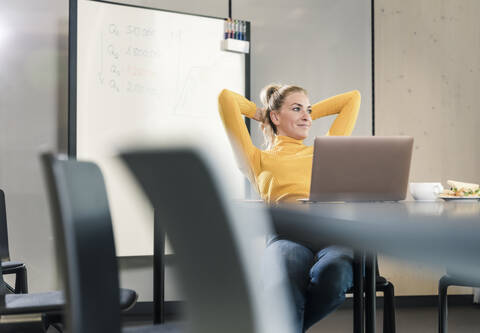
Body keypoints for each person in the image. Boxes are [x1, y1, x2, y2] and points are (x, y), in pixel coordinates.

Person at [218, 85, 361, 332]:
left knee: (334, 275)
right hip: (287, 236)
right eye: (296, 109)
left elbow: (352, 99)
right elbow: (226, 99)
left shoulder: (325, 149)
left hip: (332, 235)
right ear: (275, 116)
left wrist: (304, 112)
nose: (306, 116)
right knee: (282, 279)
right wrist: (261, 113)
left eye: (308, 110)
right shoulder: (256, 158)